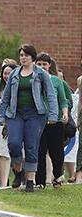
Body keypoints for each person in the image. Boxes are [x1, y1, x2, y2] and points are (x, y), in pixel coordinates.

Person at [0, 44, 58, 192]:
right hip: (15, 113)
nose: (23, 58)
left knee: (31, 145)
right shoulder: (14, 74)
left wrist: (53, 115)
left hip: (35, 115)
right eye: (21, 55)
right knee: (14, 144)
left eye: (26, 55)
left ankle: (30, 181)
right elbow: (6, 97)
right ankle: (18, 172)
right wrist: (1, 116)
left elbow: (50, 95)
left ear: (32, 57)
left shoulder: (41, 74)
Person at [35, 52, 69, 188]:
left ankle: (57, 175)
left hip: (55, 121)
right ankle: (40, 181)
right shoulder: (33, 80)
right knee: (40, 151)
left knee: (57, 151)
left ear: (49, 65)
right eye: (39, 64)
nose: (42, 66)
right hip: (38, 121)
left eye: (44, 64)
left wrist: (65, 113)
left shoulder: (56, 81)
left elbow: (63, 100)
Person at [0, 63, 16, 187]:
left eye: (9, 73)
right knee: (3, 154)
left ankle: (24, 179)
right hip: (2, 125)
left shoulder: (18, 88)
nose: (7, 76)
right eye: (5, 73)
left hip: (17, 123)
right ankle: (3, 184)